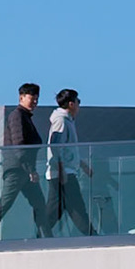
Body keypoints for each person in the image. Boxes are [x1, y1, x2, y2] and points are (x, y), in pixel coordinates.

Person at [0, 83, 50, 240]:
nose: (35, 102)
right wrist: (30, 170)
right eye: (32, 98)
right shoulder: (17, 116)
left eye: (37, 99)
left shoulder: (24, 117)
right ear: (21, 97)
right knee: (5, 204)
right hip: (18, 169)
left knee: (39, 205)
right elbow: (19, 145)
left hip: (24, 169)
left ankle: (47, 238)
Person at [44, 88, 95, 236]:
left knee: (57, 210)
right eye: (78, 101)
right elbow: (55, 146)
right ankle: (93, 236)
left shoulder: (68, 121)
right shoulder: (61, 120)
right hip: (63, 173)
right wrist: (61, 171)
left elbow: (68, 150)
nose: (79, 105)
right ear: (71, 104)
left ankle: (40, 234)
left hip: (65, 171)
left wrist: (83, 165)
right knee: (76, 208)